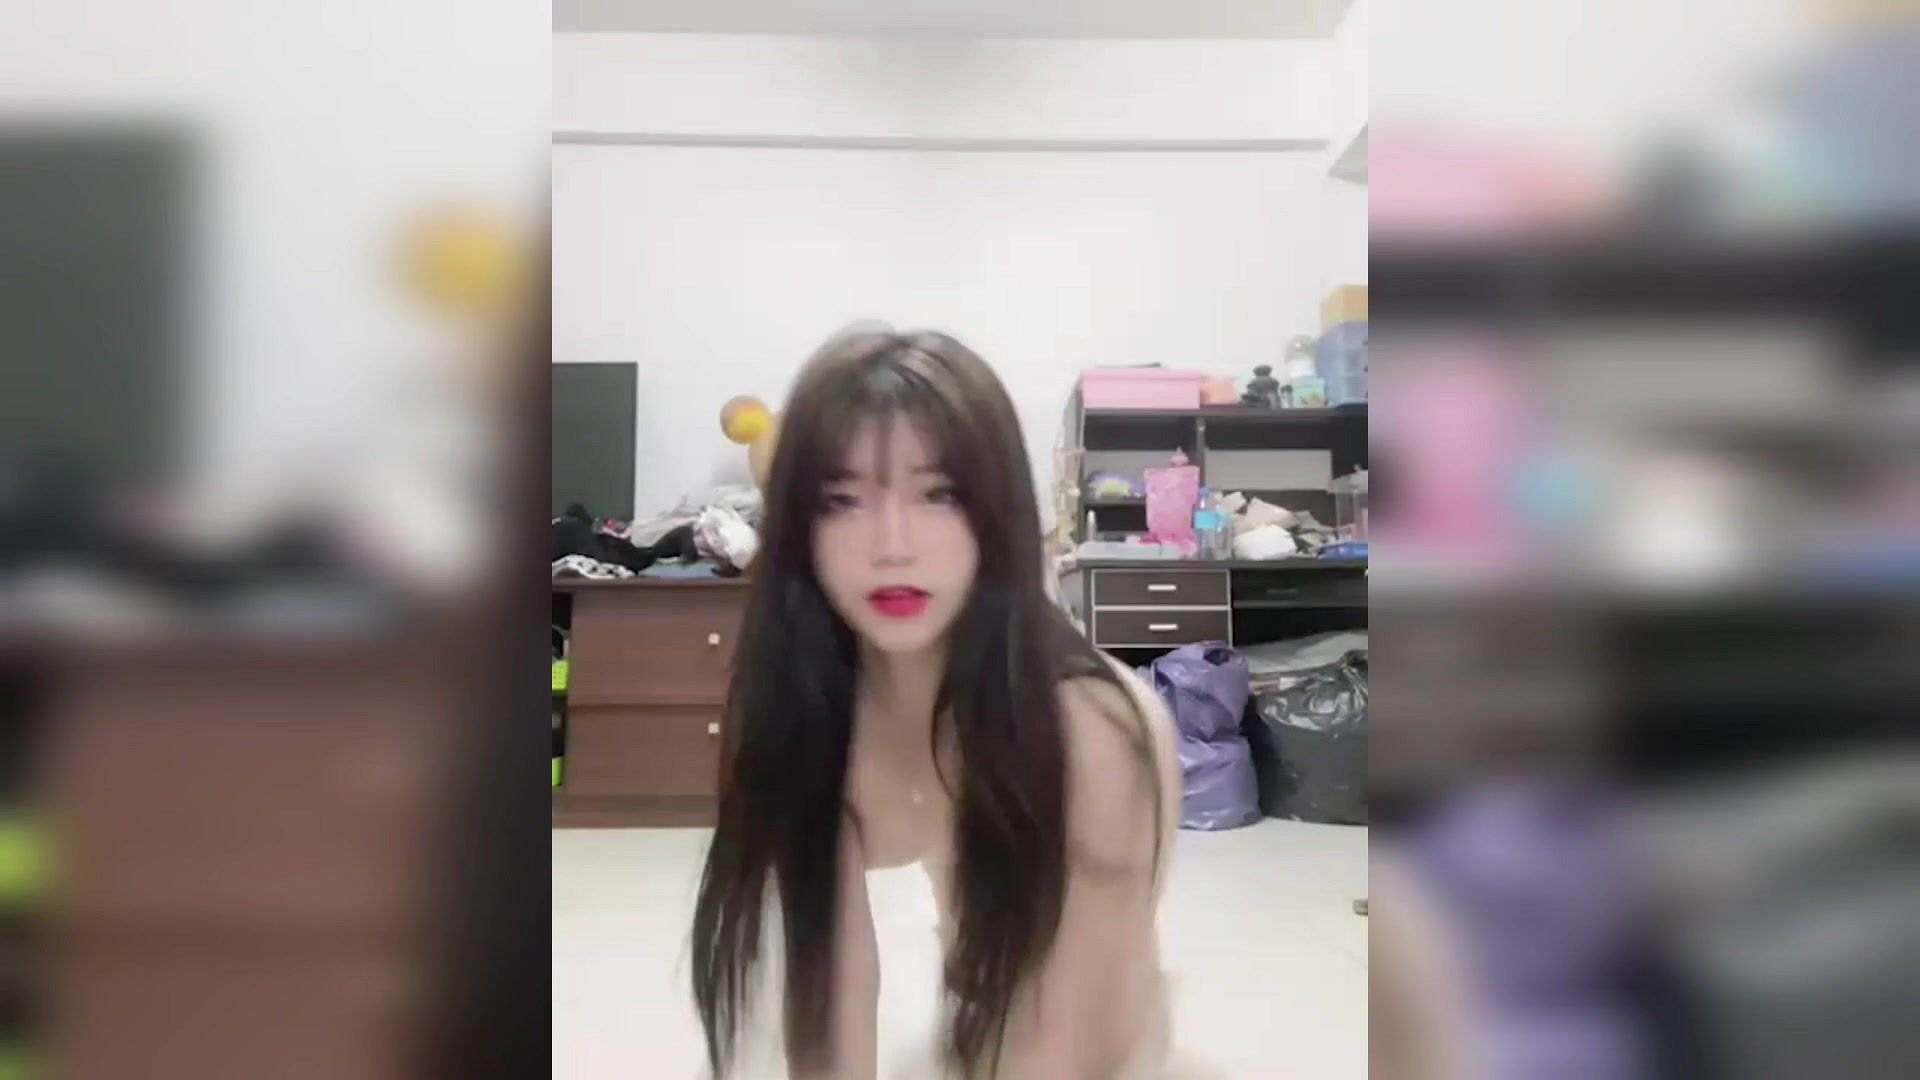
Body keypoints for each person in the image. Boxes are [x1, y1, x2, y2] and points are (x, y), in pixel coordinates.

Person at [690, 328, 1182, 1079]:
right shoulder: (818, 708)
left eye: (938, 494)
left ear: (996, 513)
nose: (892, 545)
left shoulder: (1092, 735)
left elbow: (1075, 1041)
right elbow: (826, 994)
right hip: (980, 1010)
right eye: (842, 501)